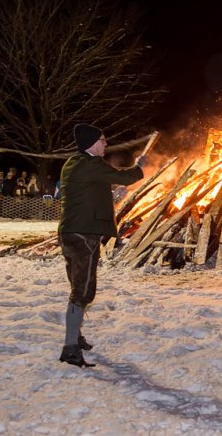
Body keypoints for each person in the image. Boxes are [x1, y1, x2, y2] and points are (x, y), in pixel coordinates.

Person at [58, 123, 147, 367]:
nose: (106, 144)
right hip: (83, 235)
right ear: (92, 143)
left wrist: (113, 194)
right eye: (103, 140)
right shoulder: (90, 164)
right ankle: (70, 348)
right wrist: (139, 167)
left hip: (71, 232)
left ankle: (75, 336)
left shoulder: (74, 164)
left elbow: (96, 189)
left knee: (78, 286)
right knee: (82, 290)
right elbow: (123, 176)